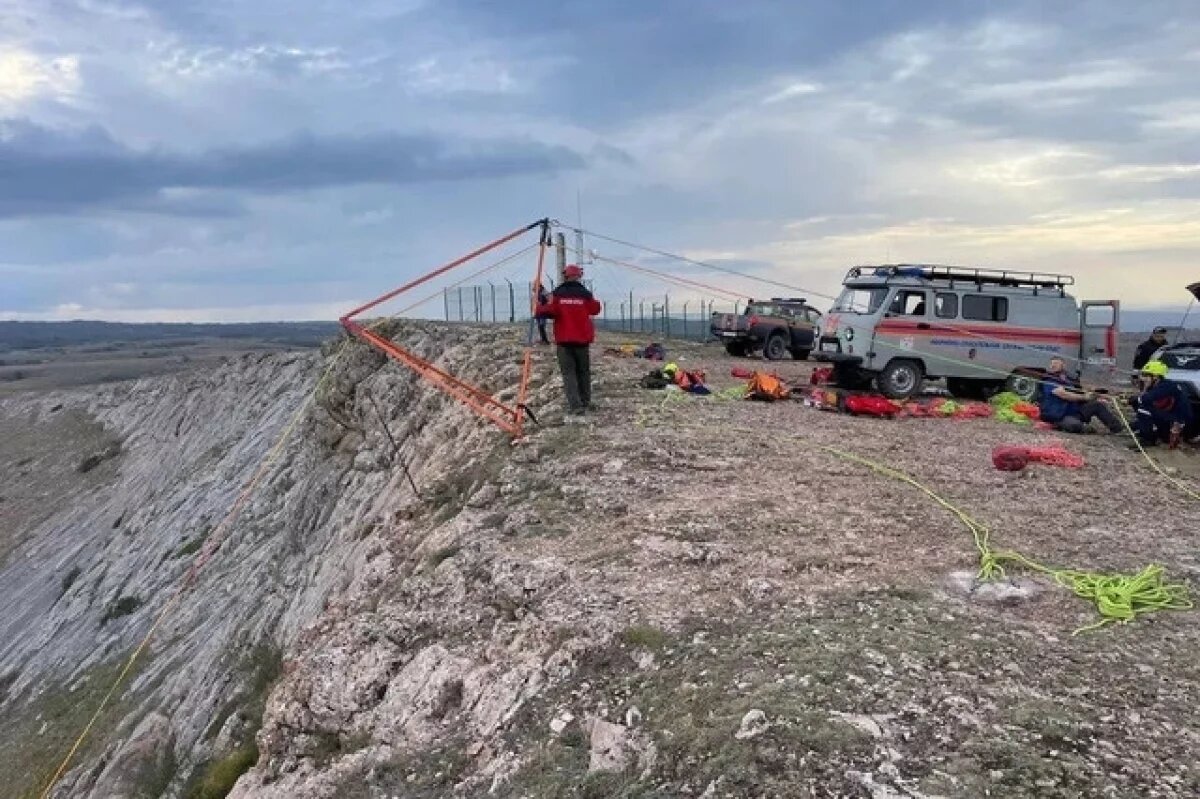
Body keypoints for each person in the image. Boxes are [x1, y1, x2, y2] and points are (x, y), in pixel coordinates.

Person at [535, 264, 602, 420]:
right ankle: (586, 401)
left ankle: (576, 406)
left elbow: (549, 311)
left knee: (569, 374)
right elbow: (595, 309)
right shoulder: (586, 294)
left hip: (564, 341)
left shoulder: (558, 294)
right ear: (579, 276)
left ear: (565, 276)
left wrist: (538, 307)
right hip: (582, 341)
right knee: (583, 372)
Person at [1039, 356, 1122, 434]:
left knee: (1097, 405)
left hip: (1074, 412)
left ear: (1063, 365)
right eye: (1052, 364)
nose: (1053, 366)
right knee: (1074, 425)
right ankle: (1072, 426)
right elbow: (1063, 394)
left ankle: (1117, 429)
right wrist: (1084, 397)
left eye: (1056, 364)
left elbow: (1080, 390)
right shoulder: (1049, 380)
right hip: (1058, 415)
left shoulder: (1068, 379)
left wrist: (1097, 394)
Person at [1130, 360, 1194, 448]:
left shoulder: (1167, 386)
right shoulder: (1159, 386)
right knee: (1135, 424)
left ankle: (1148, 440)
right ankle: (1153, 432)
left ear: (1155, 377)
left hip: (1178, 423)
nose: (1143, 378)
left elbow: (1146, 399)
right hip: (1170, 418)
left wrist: (1139, 396)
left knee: (1143, 408)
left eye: (1146, 375)